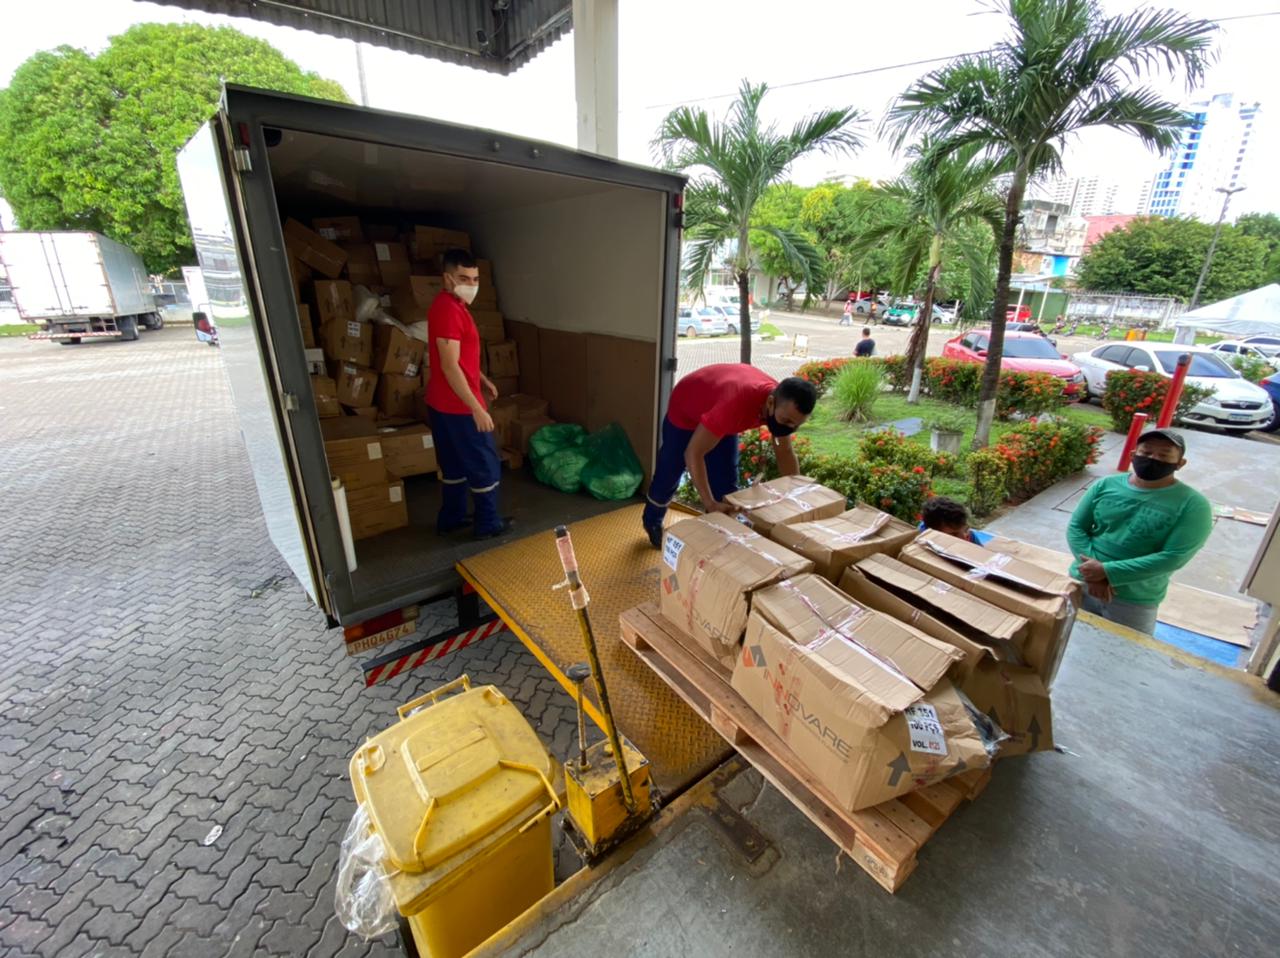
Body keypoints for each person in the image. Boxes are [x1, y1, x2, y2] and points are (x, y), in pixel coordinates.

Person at [641, 365, 818, 547]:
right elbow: (693, 454)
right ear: (770, 403)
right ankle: (652, 520)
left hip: (720, 409)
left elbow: (785, 452)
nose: (788, 427)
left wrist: (796, 495)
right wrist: (709, 502)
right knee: (670, 471)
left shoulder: (782, 406)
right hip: (687, 410)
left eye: (795, 425)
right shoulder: (735, 405)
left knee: (726, 484)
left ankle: (720, 536)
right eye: (786, 421)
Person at [1066, 428, 1212, 635]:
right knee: (1063, 642)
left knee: (1123, 655)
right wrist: (1093, 573)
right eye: (1147, 452)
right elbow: (1076, 528)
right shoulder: (1105, 485)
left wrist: (1108, 572)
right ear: (1133, 455)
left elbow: (1174, 557)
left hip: (1134, 599)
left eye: (1164, 455)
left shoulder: (1193, 505)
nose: (1153, 458)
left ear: (1180, 463)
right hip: (1082, 581)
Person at [424, 248, 511, 540]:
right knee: (485, 464)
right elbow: (450, 367)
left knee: (454, 465)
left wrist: (482, 378)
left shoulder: (451, 305)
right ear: (447, 278)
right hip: (459, 408)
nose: (471, 285)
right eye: (464, 278)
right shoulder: (449, 310)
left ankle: (451, 517)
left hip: (441, 404)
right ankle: (487, 524)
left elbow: (459, 358)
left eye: (475, 279)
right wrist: (477, 407)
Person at [920, 496, 993, 545]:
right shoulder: (924, 540)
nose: (964, 537)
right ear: (933, 533)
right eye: (954, 534)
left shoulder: (969, 536)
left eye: (966, 529)